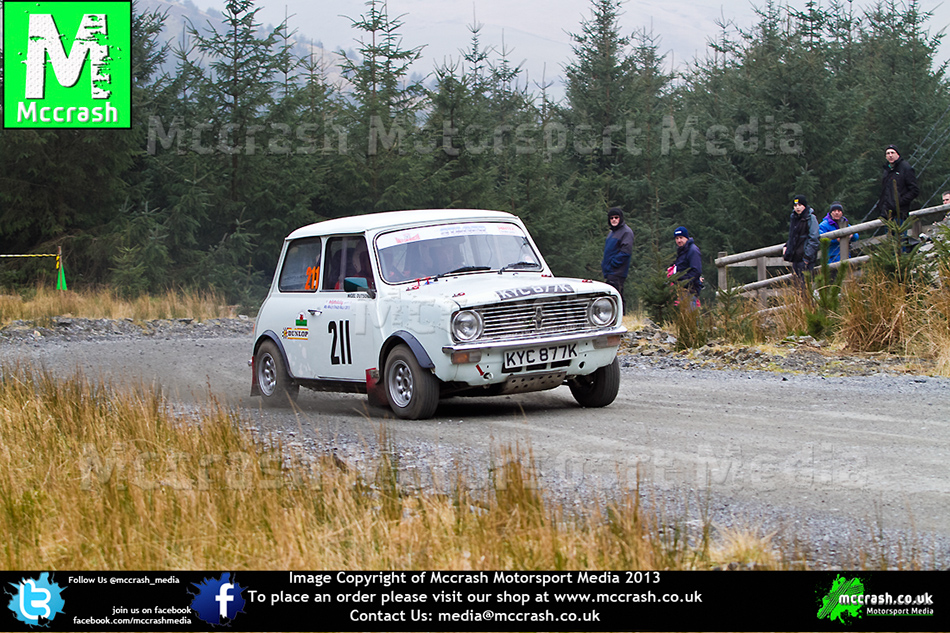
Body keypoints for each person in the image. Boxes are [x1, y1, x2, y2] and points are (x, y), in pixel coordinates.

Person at [875, 144, 919, 225]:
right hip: (886, 213)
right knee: (888, 237)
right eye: (888, 153)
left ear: (897, 154)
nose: (890, 155)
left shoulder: (906, 168)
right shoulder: (887, 170)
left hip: (900, 213)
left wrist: (899, 202)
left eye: (892, 153)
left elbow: (914, 190)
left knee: (900, 236)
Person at [601, 207, 634, 311]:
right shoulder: (612, 233)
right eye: (611, 218)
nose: (614, 220)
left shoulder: (626, 232)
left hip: (618, 271)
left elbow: (626, 252)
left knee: (617, 296)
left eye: (616, 217)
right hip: (609, 271)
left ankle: (621, 317)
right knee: (611, 297)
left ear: (620, 218)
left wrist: (613, 263)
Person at [783, 195, 820, 283]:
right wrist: (787, 245)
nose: (797, 208)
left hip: (805, 258)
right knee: (797, 286)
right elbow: (793, 236)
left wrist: (807, 257)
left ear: (804, 206)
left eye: (800, 205)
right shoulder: (794, 218)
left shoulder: (810, 218)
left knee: (805, 286)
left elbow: (814, 238)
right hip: (796, 257)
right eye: (795, 206)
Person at [668, 226, 703, 306]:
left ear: (686, 238)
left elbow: (696, 270)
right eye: (677, 238)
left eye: (681, 237)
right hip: (682, 290)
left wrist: (683, 282)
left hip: (690, 290)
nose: (679, 240)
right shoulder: (682, 251)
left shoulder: (693, 251)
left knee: (690, 314)